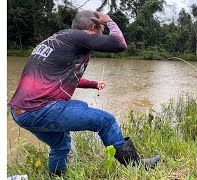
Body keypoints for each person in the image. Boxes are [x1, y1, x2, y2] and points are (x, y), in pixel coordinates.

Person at [8, 10, 160, 177]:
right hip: (40, 108)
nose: (100, 36)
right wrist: (109, 21)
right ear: (93, 27)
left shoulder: (57, 40)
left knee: (61, 144)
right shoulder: (78, 36)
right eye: (100, 31)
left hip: (20, 111)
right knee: (106, 121)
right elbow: (119, 43)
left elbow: (59, 78)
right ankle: (135, 165)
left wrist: (94, 84)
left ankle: (57, 176)